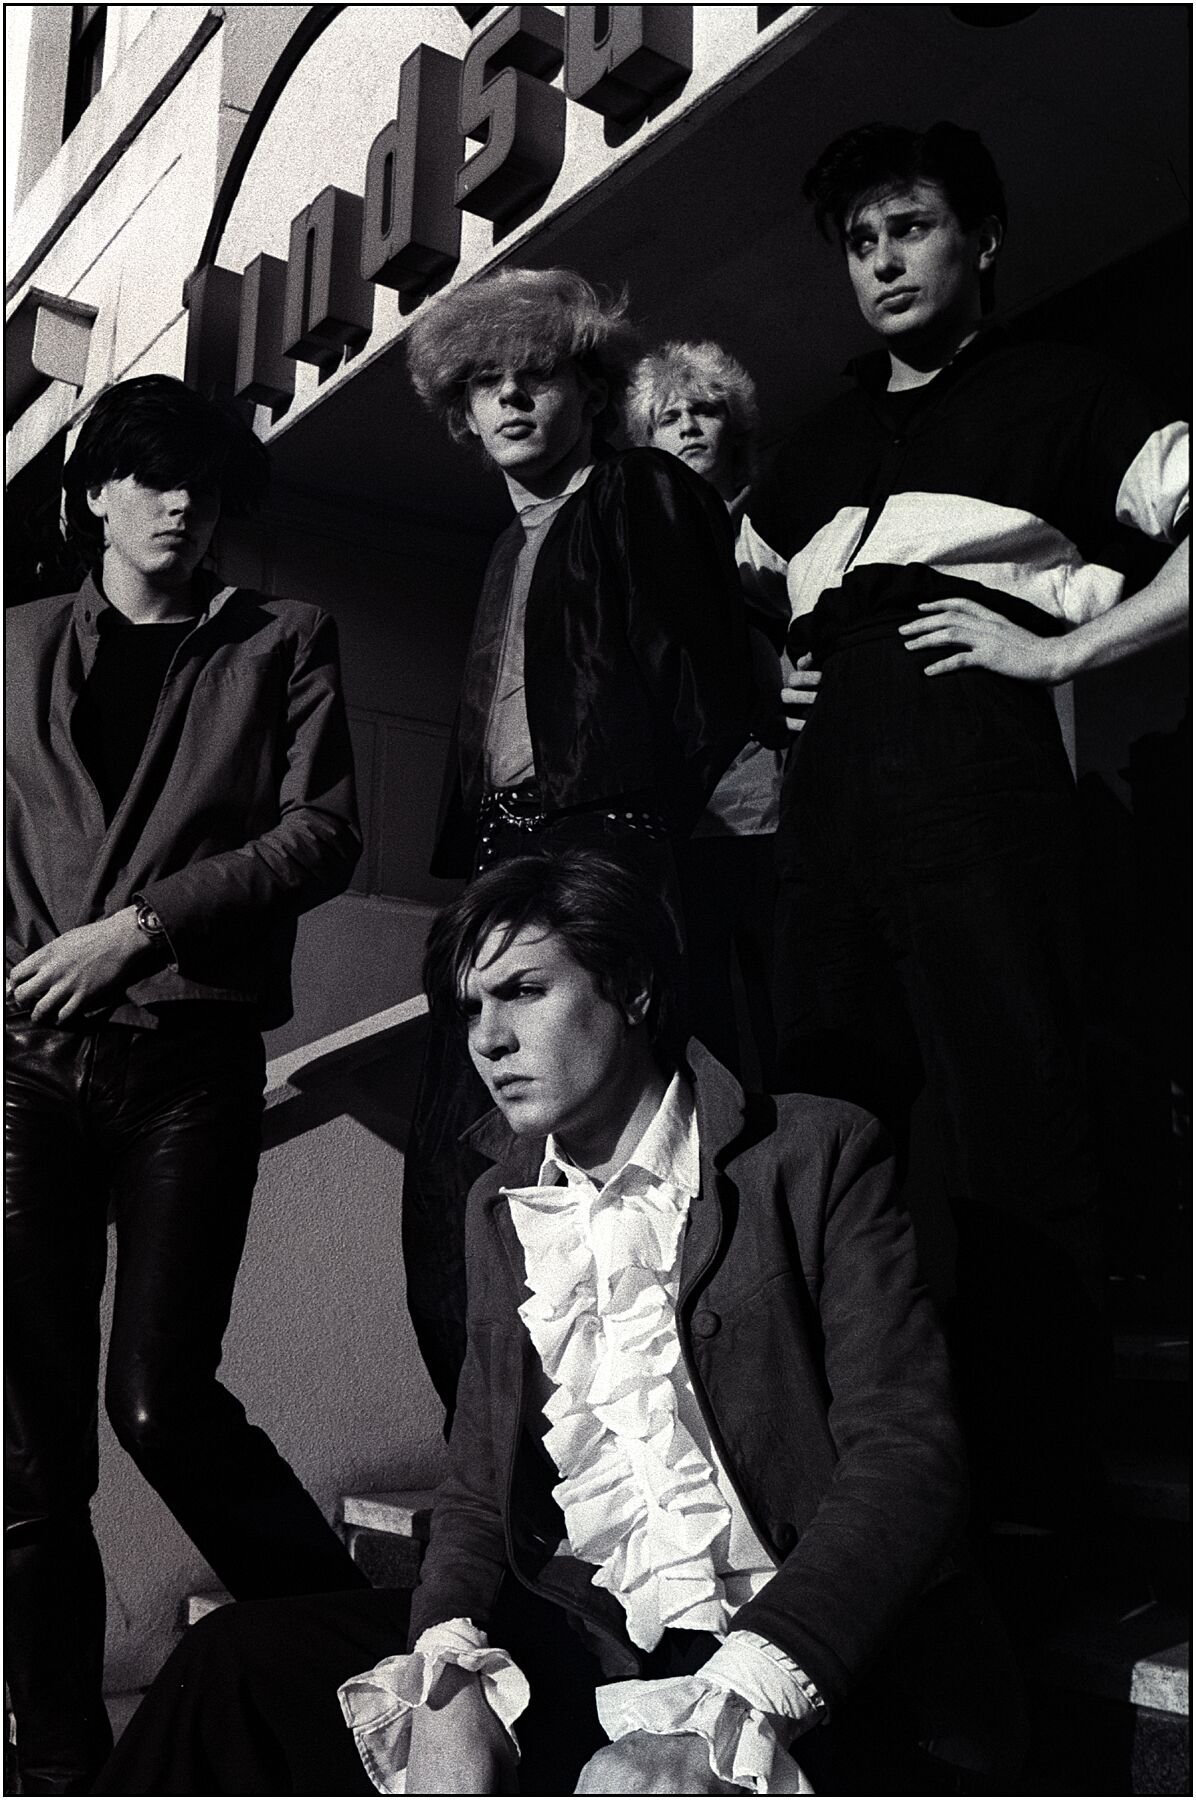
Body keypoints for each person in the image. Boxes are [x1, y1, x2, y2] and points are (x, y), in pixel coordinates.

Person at [94, 849, 1019, 1798]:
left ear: (634, 989)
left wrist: (734, 1702)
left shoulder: (813, 1152)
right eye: (469, 1009)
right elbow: (473, 1484)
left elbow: (906, 1457)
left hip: (806, 1644)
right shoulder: (504, 1205)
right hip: (604, 1630)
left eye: (524, 992)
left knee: (629, 1784)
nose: (487, 1040)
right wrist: (447, 1672)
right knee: (236, 1661)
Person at [738, 121, 1190, 1540]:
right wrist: (772, 682)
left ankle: (1035, 1515)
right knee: (821, 1141)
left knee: (1015, 1135)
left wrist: (1063, 651)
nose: (884, 261)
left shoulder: (1066, 391)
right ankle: (842, 1501)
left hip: (978, 782)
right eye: (862, 241)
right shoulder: (812, 451)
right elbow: (721, 607)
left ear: (981, 240)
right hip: (825, 819)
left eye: (914, 228)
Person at [5, 374, 368, 1794]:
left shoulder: (280, 638)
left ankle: (363, 1657)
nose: (179, 506)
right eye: (152, 478)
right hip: (25, 1068)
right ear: (94, 493)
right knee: (28, 1453)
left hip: (187, 1058)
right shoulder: (14, 645)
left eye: (204, 487)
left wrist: (141, 927)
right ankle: (57, 1764)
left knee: (159, 1399)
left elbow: (322, 832)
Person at [400, 270, 754, 1417]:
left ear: (588, 391)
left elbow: (707, 689)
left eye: (535, 375)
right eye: (483, 382)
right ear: (460, 413)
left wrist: (631, 848)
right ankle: (500, 1457)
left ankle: (644, 1444)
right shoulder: (502, 550)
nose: (510, 399)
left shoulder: (639, 490)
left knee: (616, 1177)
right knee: (463, 1173)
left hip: (605, 855)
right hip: (504, 865)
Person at [625, 341, 788, 1083]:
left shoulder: (771, 525)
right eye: (670, 417)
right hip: (677, 814)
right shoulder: (637, 538)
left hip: (769, 803)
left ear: (735, 426)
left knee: (780, 1005)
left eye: (705, 411)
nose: (689, 427)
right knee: (696, 1017)